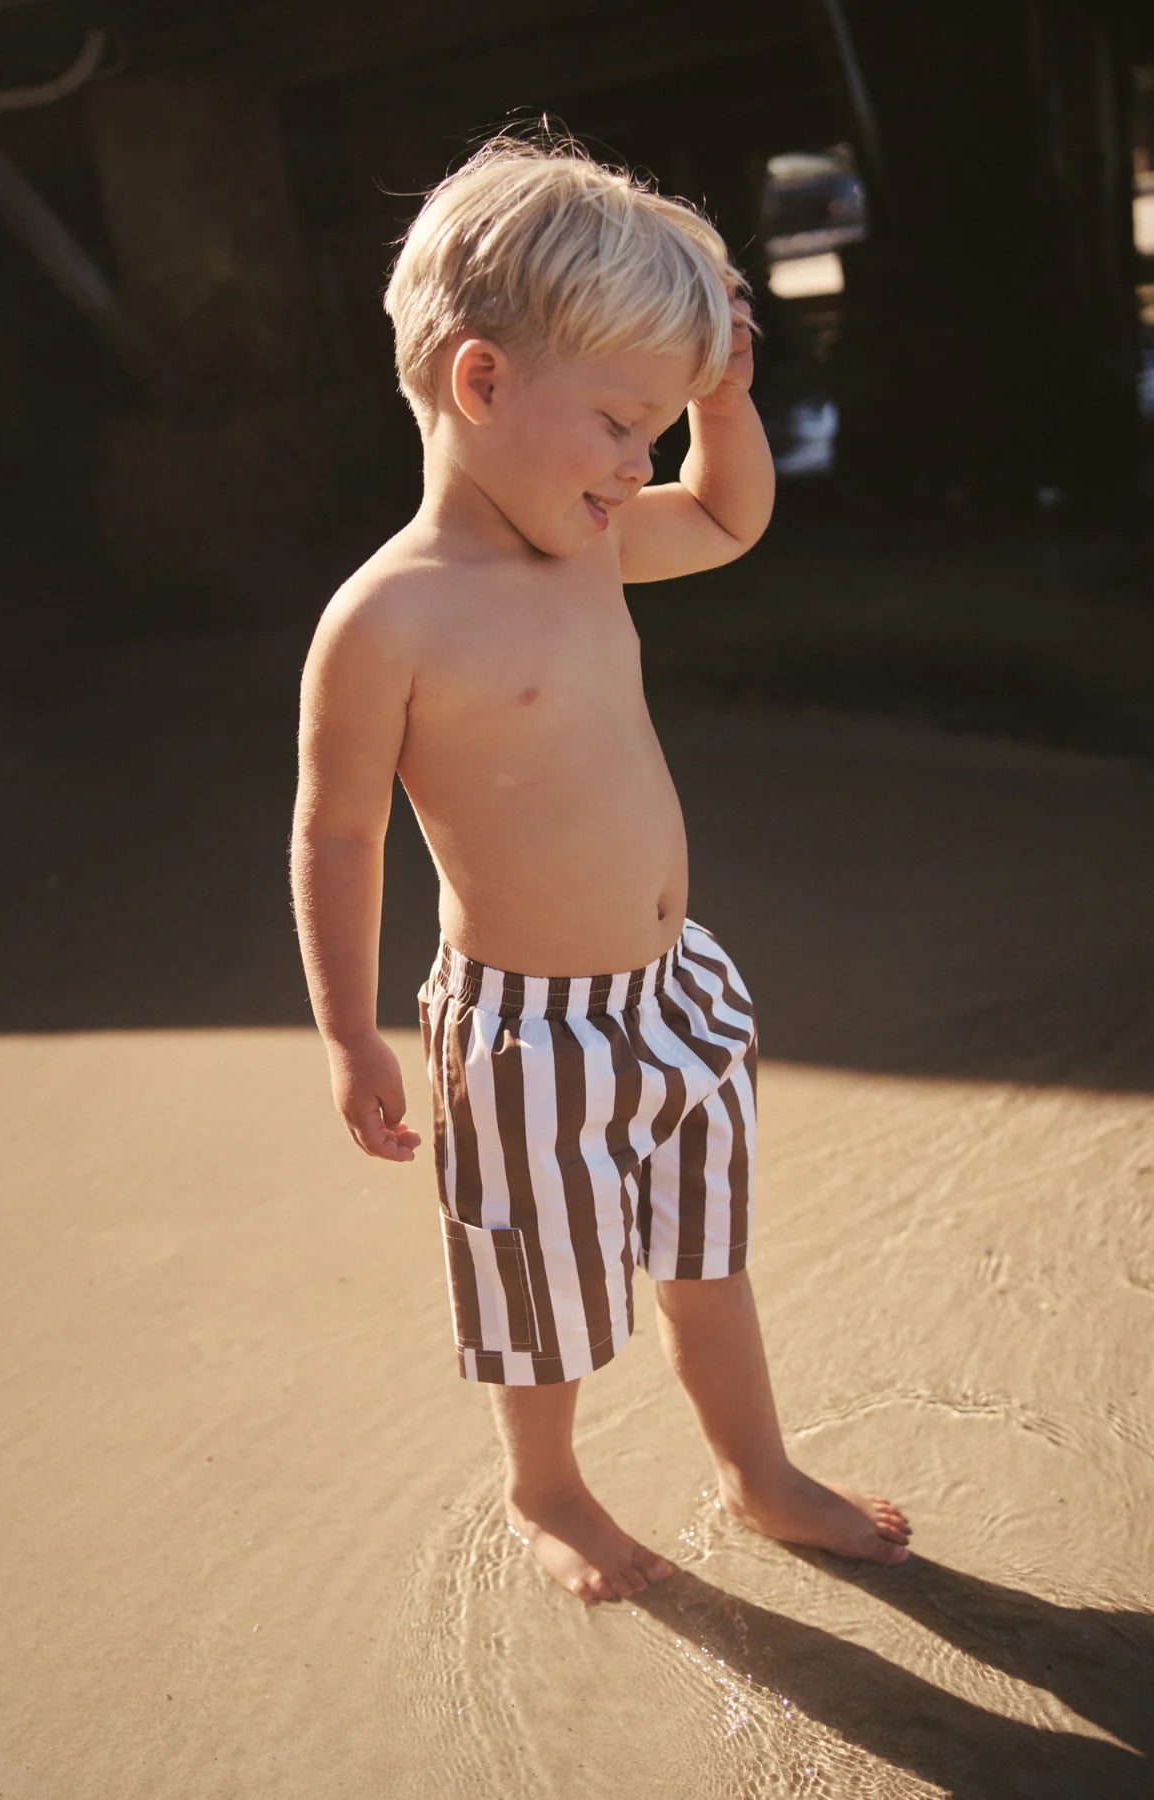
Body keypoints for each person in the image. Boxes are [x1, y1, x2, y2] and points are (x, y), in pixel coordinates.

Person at [290, 127, 911, 1604]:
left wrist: (729, 406)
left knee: (708, 1262)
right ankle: (549, 1486)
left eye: (658, 427)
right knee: (542, 1291)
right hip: (524, 1034)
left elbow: (731, 513)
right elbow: (336, 830)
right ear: (483, 382)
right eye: (624, 421)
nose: (643, 463)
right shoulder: (387, 622)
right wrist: (346, 1031)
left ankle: (760, 1478)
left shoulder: (591, 540)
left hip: (675, 996)